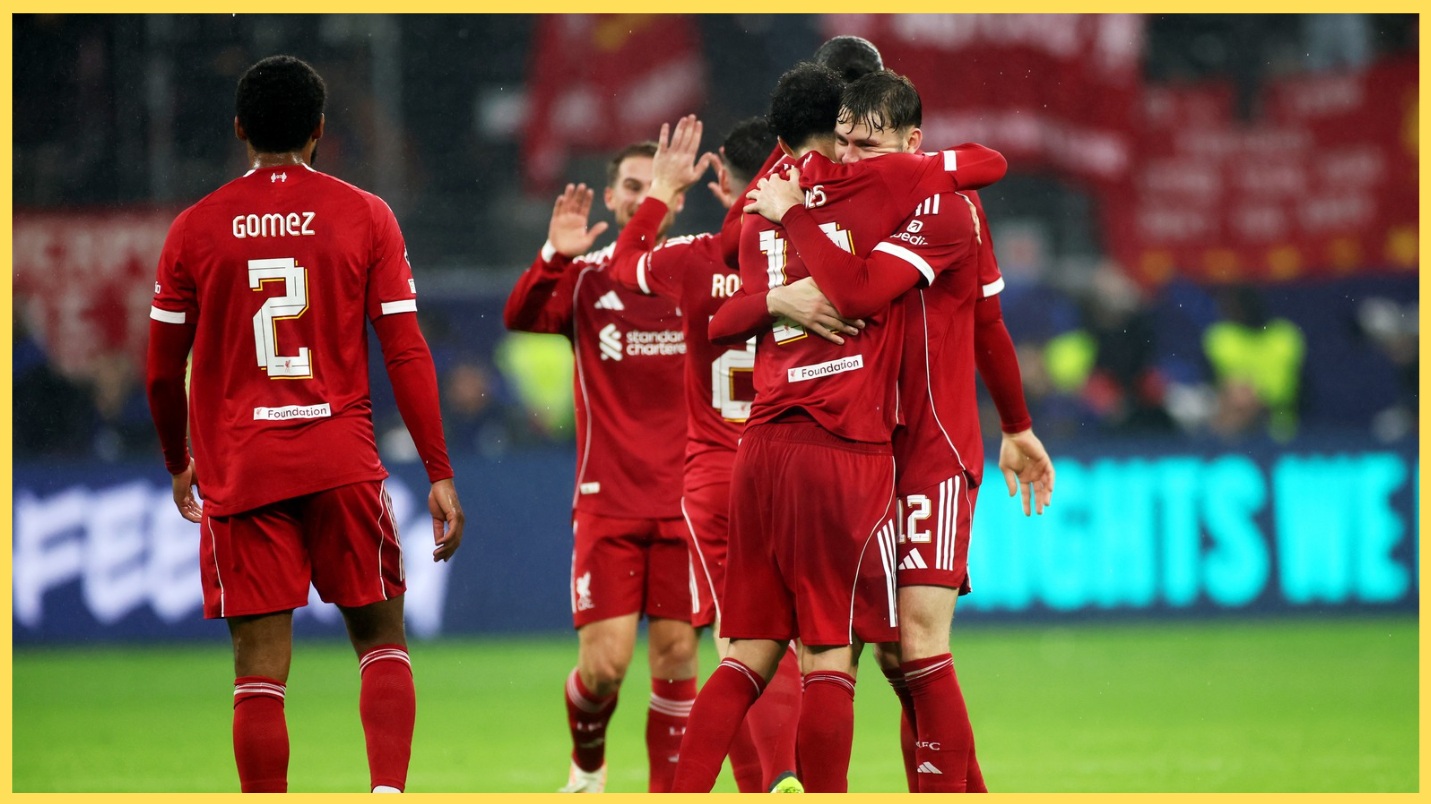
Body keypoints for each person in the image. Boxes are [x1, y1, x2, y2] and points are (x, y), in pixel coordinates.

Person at [670, 62, 1001, 794]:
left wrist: (778, 292)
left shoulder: (761, 203)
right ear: (843, 125)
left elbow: (720, 315)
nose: (854, 150)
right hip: (843, 445)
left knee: (743, 653)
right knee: (833, 654)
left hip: (758, 446)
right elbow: (987, 164)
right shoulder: (884, 186)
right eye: (852, 135)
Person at [145, 55, 465, 794]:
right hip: (341, 461)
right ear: (321, 132)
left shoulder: (194, 230)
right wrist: (439, 469)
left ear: (238, 132)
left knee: (259, 673)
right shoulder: (365, 215)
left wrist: (176, 458)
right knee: (381, 642)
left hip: (243, 469)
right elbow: (406, 349)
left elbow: (162, 372)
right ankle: (387, 791)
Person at [604, 114, 806, 793]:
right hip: (802, 464)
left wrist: (660, 191)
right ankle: (793, 777)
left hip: (719, 475)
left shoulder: (693, 259)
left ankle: (768, 782)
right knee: (813, 647)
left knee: (736, 644)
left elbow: (621, 266)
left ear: (721, 179)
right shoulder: (808, 253)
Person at [502, 142, 702, 794]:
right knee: (606, 669)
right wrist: (552, 256)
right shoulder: (588, 277)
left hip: (685, 502)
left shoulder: (698, 269)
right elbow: (521, 316)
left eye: (656, 186)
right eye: (631, 185)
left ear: (676, 196)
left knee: (677, 656)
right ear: (614, 198)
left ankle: (667, 792)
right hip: (607, 502)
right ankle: (588, 760)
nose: (643, 196)